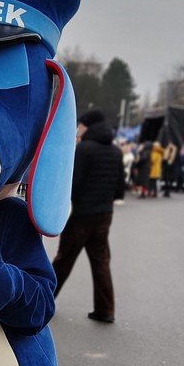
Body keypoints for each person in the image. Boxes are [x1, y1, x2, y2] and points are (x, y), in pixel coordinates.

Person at [51, 109, 124, 323]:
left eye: (81, 125)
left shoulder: (83, 149)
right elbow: (120, 188)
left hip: (82, 214)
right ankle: (105, 310)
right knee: (101, 261)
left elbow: (74, 183)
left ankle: (43, 300)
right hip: (105, 214)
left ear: (87, 125)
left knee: (64, 258)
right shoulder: (116, 151)